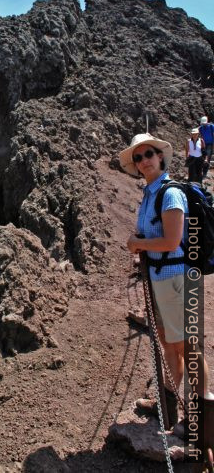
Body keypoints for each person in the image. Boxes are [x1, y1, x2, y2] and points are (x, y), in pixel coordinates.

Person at [119, 133, 214, 445]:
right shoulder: (150, 194)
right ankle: (170, 410)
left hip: (177, 279)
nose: (144, 160)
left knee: (188, 347)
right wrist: (142, 243)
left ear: (160, 157)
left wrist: (137, 244)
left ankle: (200, 423)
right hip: (162, 280)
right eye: (138, 157)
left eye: (149, 154)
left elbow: (172, 242)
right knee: (169, 344)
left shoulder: (170, 193)